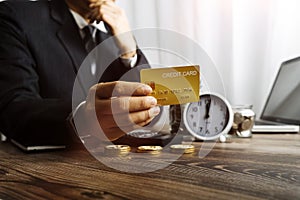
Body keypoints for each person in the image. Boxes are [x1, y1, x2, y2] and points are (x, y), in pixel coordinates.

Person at [0, 0, 160, 147]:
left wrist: (129, 50)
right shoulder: (17, 16)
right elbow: (12, 109)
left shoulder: (114, 41)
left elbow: (152, 110)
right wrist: (80, 119)